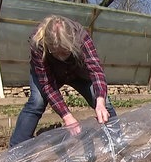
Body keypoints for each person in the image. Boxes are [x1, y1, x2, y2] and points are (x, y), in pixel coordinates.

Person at [10, 15, 118, 147]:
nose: (61, 58)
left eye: (65, 52)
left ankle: (117, 141)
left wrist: (100, 101)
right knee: (36, 102)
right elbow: (47, 85)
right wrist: (66, 116)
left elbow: (96, 69)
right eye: (56, 53)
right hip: (51, 74)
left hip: (78, 72)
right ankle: (16, 149)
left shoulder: (81, 37)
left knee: (104, 103)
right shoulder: (37, 43)